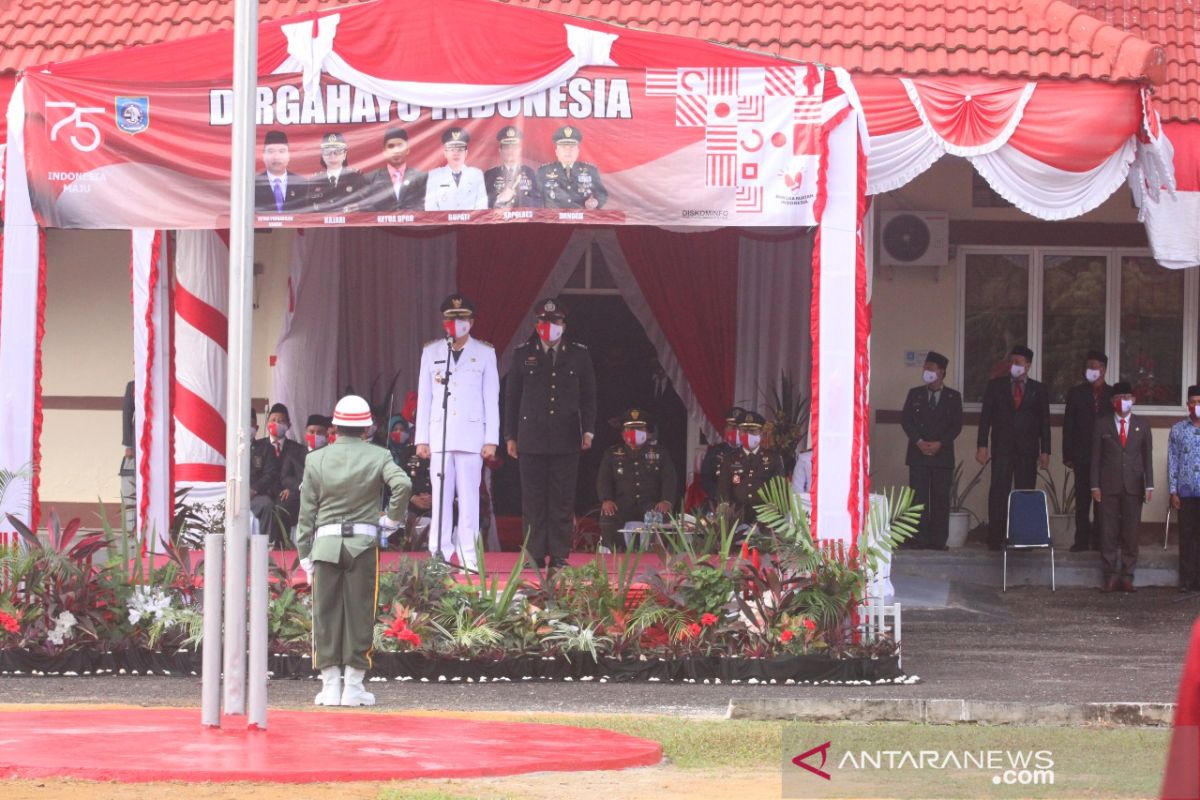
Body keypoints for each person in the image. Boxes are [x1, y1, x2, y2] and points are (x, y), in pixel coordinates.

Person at [296, 394, 411, 707]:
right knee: (360, 613)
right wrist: (391, 519)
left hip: (325, 545)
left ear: (334, 426)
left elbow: (306, 513)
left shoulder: (315, 459)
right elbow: (403, 485)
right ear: (367, 428)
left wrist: (304, 553)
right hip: (362, 545)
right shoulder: (379, 455)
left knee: (326, 615)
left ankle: (330, 686)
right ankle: (354, 687)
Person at [505, 297, 597, 570]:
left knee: (561, 498)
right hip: (530, 437)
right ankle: (533, 554)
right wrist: (510, 435)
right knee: (533, 499)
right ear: (536, 324)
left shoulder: (579, 354)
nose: (549, 327)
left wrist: (589, 430)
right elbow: (511, 398)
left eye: (555, 322)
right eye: (544, 322)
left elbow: (589, 397)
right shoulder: (523, 354)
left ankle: (559, 554)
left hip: (566, 437)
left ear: (563, 325)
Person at [415, 293, 499, 570]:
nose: (456, 324)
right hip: (439, 436)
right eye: (451, 319)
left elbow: (491, 398)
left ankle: (469, 555)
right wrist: (422, 439)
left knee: (469, 499)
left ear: (471, 322)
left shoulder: (485, 352)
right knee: (440, 498)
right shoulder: (432, 352)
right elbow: (424, 397)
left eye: (462, 319)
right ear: (443, 323)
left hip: (471, 436)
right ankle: (439, 553)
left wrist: (491, 440)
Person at [977, 345, 1051, 550]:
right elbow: (985, 418)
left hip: (1028, 450)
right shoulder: (995, 386)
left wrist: (1046, 450)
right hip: (1002, 447)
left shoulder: (1039, 389)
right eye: (1012, 362)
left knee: (1025, 491)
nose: (1014, 366)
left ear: (1028, 365)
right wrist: (982, 445)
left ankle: (1023, 537)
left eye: (1019, 362)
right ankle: (995, 538)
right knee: (999, 490)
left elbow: (1044, 422)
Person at [1091, 381, 1153, 593]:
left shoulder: (1142, 425)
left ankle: (1127, 576)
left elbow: (1147, 458)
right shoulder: (1102, 424)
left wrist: (1150, 485)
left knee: (1131, 532)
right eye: (1119, 397)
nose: (1123, 401)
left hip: (1134, 486)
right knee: (1108, 531)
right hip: (1108, 486)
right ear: (1112, 401)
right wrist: (1094, 485)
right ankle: (1109, 576)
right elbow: (1096, 458)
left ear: (1133, 400)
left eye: (1127, 397)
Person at [900, 351, 963, 550]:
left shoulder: (953, 397)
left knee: (940, 499)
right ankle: (919, 539)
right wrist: (918, 441)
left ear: (941, 372)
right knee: (918, 499)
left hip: (942, 456)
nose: (927, 371)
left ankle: (938, 541)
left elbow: (956, 426)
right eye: (925, 368)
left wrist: (939, 443)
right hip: (918, 454)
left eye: (931, 368)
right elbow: (906, 420)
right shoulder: (914, 393)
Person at [596, 409, 678, 551]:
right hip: (622, 504)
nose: (635, 432)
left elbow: (669, 478)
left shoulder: (660, 453)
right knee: (608, 517)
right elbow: (604, 479)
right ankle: (617, 553)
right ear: (622, 433)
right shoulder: (612, 453)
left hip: (651, 505)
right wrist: (606, 499)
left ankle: (656, 555)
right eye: (630, 429)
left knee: (664, 518)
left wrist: (666, 500)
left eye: (639, 429)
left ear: (647, 432)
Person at [1062, 350, 1113, 552]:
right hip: (1082, 455)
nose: (1092, 370)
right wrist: (1068, 455)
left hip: (1106, 456)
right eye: (1089, 366)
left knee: (1102, 501)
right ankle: (1081, 540)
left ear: (1104, 369)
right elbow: (1069, 426)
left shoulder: (1112, 394)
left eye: (1096, 366)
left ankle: (1100, 541)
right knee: (1082, 500)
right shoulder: (1076, 393)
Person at [250, 402, 305, 546]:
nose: (276, 424)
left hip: (286, 496)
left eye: (281, 421)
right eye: (273, 420)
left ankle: (282, 547)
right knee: (267, 505)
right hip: (263, 494)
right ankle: (263, 547)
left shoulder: (298, 449)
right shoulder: (258, 447)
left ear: (289, 425)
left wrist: (292, 489)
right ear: (267, 423)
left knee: (283, 509)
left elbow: (302, 475)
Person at [717, 410, 785, 526]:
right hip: (736, 514)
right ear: (739, 433)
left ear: (761, 433)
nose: (748, 435)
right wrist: (724, 506)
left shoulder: (773, 458)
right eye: (744, 431)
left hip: (764, 514)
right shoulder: (730, 459)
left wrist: (774, 507)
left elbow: (779, 486)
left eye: (753, 431)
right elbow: (724, 487)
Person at [1168, 386, 1200, 593]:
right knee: (1187, 537)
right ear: (1188, 405)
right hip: (1186, 493)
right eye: (1193, 402)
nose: (1196, 406)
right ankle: (1187, 580)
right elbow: (1172, 460)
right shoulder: (1178, 429)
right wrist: (1173, 491)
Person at [387, 413, 432, 550]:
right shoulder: (408, 451)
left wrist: (434, 499)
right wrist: (412, 498)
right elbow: (398, 479)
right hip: (411, 506)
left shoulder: (443, 452)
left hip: (437, 507)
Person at [538, 126, 608, 209]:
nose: (568, 151)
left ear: (578, 151)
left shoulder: (590, 170)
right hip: (553, 219)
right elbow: (536, 196)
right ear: (556, 151)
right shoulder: (543, 171)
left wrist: (596, 202)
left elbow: (601, 194)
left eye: (572, 147)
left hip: (583, 218)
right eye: (564, 147)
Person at [424, 128, 488, 211]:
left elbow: (482, 205)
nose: (456, 154)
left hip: (471, 222)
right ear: (445, 153)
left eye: (460, 150)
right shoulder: (434, 175)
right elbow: (430, 206)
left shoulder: (476, 174)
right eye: (452, 149)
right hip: (442, 223)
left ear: (466, 153)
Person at [365, 127, 427, 212]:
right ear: (384, 151)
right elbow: (366, 207)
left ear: (408, 149)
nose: (396, 151)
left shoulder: (421, 177)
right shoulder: (370, 178)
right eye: (391, 146)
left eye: (400, 145)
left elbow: (425, 204)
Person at [306, 132, 366, 212]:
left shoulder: (356, 177)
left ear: (344, 155)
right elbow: (307, 209)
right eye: (327, 151)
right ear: (322, 155)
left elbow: (366, 206)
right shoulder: (314, 181)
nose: (332, 156)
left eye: (337, 151)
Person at [485, 126, 542, 209]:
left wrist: (515, 197)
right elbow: (481, 203)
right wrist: (499, 199)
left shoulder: (529, 173)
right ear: (500, 150)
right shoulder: (490, 174)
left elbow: (539, 203)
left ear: (519, 150)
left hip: (523, 220)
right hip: (499, 220)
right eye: (506, 147)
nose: (510, 151)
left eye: (514, 147)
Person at [699, 406, 744, 504]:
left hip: (744, 503)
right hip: (718, 501)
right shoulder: (714, 451)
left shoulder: (751, 453)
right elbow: (705, 478)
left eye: (738, 428)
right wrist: (719, 495)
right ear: (725, 429)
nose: (735, 431)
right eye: (731, 427)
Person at [254, 130, 306, 213]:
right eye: (271, 151)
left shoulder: (302, 184)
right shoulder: (253, 185)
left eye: (281, 151)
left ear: (289, 155)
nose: (276, 157)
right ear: (263, 156)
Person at [120, 380, 136, 534]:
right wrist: (128, 446)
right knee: (132, 489)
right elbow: (127, 415)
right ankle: (131, 528)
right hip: (137, 445)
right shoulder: (133, 386)